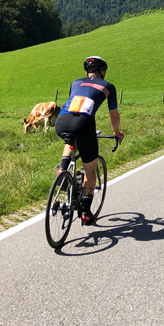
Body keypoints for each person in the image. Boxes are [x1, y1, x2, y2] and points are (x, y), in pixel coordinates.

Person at [54, 56, 125, 225]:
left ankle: (62, 169)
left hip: (62, 120)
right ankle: (85, 211)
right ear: (102, 71)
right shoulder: (108, 86)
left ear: (87, 71)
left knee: (70, 141)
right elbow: (114, 115)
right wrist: (117, 132)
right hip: (84, 123)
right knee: (90, 167)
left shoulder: (75, 83)